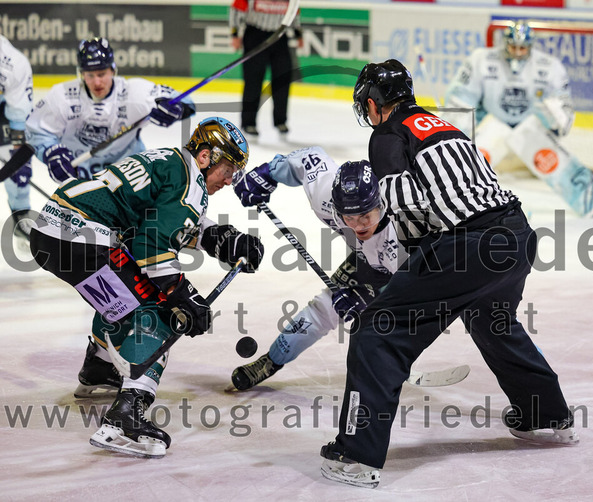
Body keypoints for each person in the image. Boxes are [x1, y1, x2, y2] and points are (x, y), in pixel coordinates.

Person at [319, 59, 578, 488]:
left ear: (373, 103)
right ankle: (546, 416)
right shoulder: (443, 126)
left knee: (376, 332)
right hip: (517, 235)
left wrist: (390, 283)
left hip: (469, 246)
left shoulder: (388, 135)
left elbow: (407, 211)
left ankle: (356, 455)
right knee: (492, 321)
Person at [29, 117, 264, 458]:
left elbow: (158, 221)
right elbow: (151, 247)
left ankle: (100, 366)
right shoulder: (190, 184)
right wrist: (183, 296)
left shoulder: (170, 161)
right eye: (227, 169)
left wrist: (224, 239)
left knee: (124, 293)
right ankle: (126, 414)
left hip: (51, 232)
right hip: (86, 238)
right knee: (161, 312)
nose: (229, 180)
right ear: (205, 156)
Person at [230, 148, 407, 391]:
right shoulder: (325, 195)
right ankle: (272, 361)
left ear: (382, 204)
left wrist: (375, 298)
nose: (358, 226)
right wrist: (268, 173)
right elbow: (309, 159)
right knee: (326, 307)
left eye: (366, 215)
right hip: (368, 257)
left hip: (407, 268)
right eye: (349, 218)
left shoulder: (403, 234)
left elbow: (422, 287)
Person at [443, 20, 593, 217]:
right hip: (493, 123)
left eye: (522, 48)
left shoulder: (548, 66)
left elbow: (562, 108)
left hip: (529, 127)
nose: (517, 52)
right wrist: (456, 129)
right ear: (505, 43)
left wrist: (556, 117)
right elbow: (461, 96)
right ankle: (451, 200)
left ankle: (588, 197)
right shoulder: (481, 60)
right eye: (513, 46)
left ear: (530, 46)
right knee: (470, 162)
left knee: (549, 158)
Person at [26, 37, 195, 185]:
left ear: (113, 70)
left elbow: (186, 102)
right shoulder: (61, 96)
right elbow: (35, 131)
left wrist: (176, 109)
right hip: (81, 182)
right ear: (81, 74)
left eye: (102, 74)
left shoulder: (135, 93)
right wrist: (51, 154)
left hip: (130, 180)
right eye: (90, 75)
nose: (97, 82)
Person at [229, 0, 303, 136]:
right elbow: (237, 8)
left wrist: (298, 34)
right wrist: (235, 34)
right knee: (253, 81)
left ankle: (280, 121)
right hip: (255, 35)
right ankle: (249, 123)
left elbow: (294, 10)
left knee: (282, 79)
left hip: (279, 37)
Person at [0, 34, 34, 241]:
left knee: (14, 163)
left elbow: (19, 118)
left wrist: (19, 159)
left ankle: (20, 212)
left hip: (3, 108)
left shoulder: (13, 63)